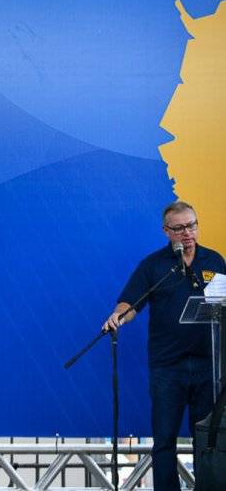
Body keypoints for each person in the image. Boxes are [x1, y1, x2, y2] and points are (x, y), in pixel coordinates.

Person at [102, 200, 226, 491]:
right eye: (179, 228)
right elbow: (131, 302)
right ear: (166, 231)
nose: (187, 233)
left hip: (209, 366)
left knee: (208, 438)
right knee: (164, 440)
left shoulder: (214, 260)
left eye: (191, 225)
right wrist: (118, 316)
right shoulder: (154, 265)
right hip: (168, 367)